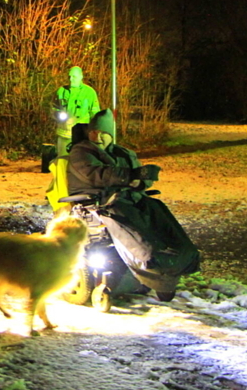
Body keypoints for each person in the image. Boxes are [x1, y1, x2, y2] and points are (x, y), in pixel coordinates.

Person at [67, 109, 200, 300]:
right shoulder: (81, 151)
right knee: (139, 236)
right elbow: (97, 174)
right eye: (93, 132)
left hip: (131, 198)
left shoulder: (124, 153)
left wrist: (144, 179)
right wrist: (131, 176)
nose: (95, 136)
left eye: (100, 133)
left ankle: (178, 261)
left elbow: (139, 177)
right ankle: (154, 270)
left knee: (159, 214)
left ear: (108, 134)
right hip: (100, 202)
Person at [53, 66, 100, 158]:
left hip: (82, 135)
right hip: (64, 134)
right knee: (62, 161)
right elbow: (54, 108)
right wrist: (57, 115)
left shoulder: (89, 93)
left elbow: (95, 113)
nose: (71, 79)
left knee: (81, 161)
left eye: (74, 76)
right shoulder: (61, 91)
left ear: (81, 76)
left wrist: (95, 132)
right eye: (69, 76)